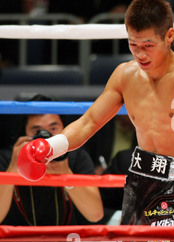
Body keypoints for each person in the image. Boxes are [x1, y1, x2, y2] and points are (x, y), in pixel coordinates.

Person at [16, 0, 174, 242]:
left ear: (169, 36)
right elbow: (89, 122)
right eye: (133, 44)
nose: (140, 53)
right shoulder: (125, 75)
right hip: (138, 181)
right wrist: (50, 148)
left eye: (148, 44)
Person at [0, 94, 103, 226]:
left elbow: (95, 215)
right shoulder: (7, 158)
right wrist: (14, 169)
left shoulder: (76, 157)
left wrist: (65, 174)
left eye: (53, 129)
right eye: (36, 131)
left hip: (67, 241)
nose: (46, 138)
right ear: (25, 133)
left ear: (65, 130)